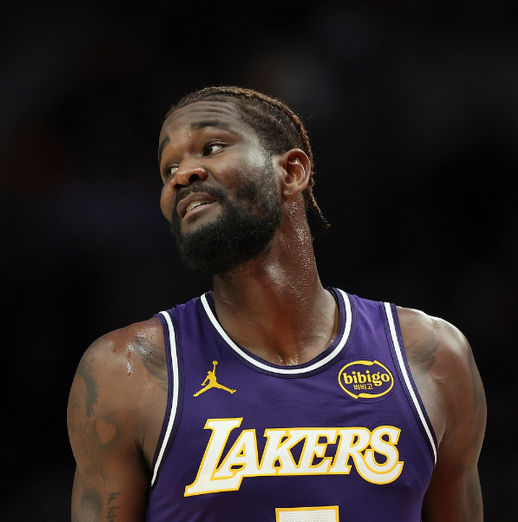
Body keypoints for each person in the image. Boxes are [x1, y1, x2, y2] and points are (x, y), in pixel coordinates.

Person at [67, 86, 487, 522]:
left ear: (292, 171)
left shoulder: (433, 357)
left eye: (211, 148)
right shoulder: (125, 371)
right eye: (168, 168)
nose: (181, 175)